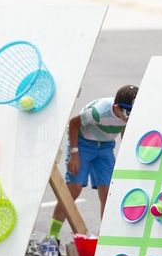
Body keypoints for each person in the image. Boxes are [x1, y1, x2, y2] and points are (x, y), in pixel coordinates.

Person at [49, 85, 139, 242]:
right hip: (83, 144)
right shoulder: (98, 112)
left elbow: (126, 129)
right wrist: (74, 154)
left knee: (108, 192)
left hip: (105, 146)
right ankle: (52, 236)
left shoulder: (130, 113)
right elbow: (74, 124)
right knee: (73, 189)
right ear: (116, 107)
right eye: (126, 113)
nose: (129, 117)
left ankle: (105, 237)